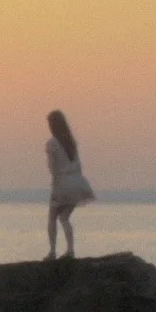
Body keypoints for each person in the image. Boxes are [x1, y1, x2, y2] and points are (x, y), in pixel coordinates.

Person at [45, 110, 95, 259]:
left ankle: (52, 252)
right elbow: (78, 165)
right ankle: (70, 250)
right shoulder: (71, 143)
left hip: (63, 183)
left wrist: (55, 187)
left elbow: (52, 168)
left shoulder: (52, 143)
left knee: (52, 218)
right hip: (77, 183)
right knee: (64, 218)